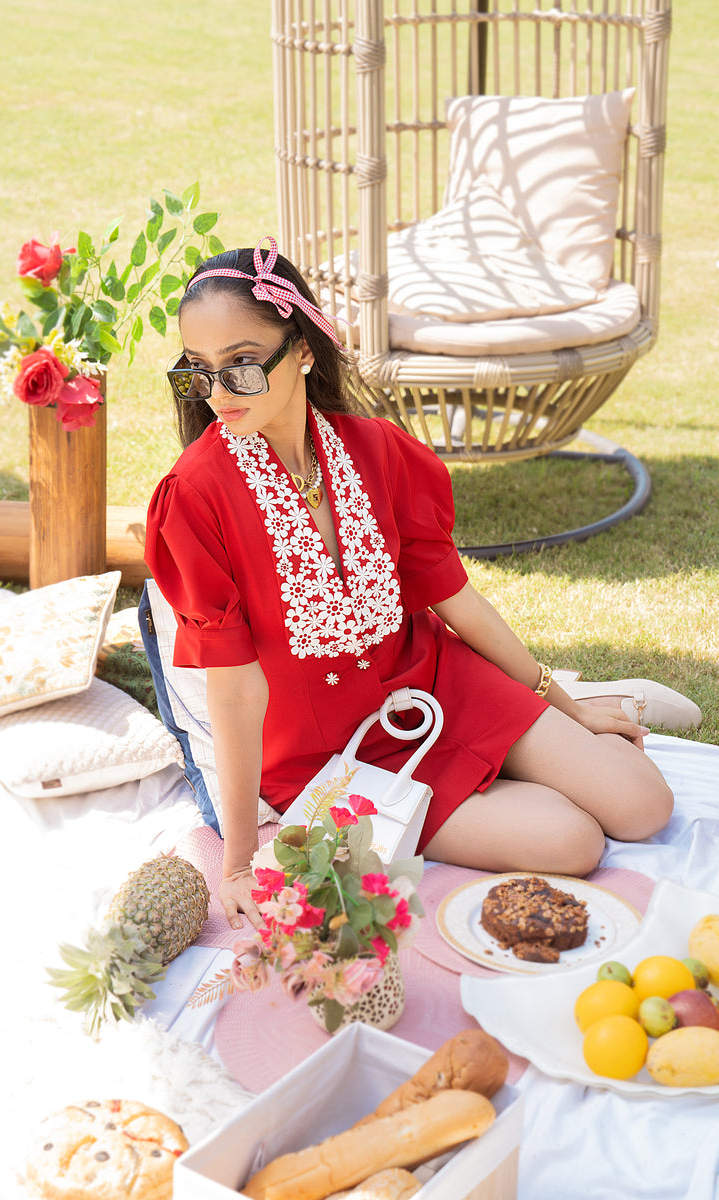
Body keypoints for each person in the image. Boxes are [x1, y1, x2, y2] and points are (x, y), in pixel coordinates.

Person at [145, 237, 676, 931]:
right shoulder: (193, 497)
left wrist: (558, 704)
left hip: (435, 684)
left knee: (645, 807)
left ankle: (568, 718)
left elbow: (456, 601)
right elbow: (236, 690)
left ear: (303, 349)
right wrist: (240, 861)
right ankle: (508, 772)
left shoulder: (380, 452)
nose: (217, 394)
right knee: (574, 841)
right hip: (328, 755)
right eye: (198, 371)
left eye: (241, 366)